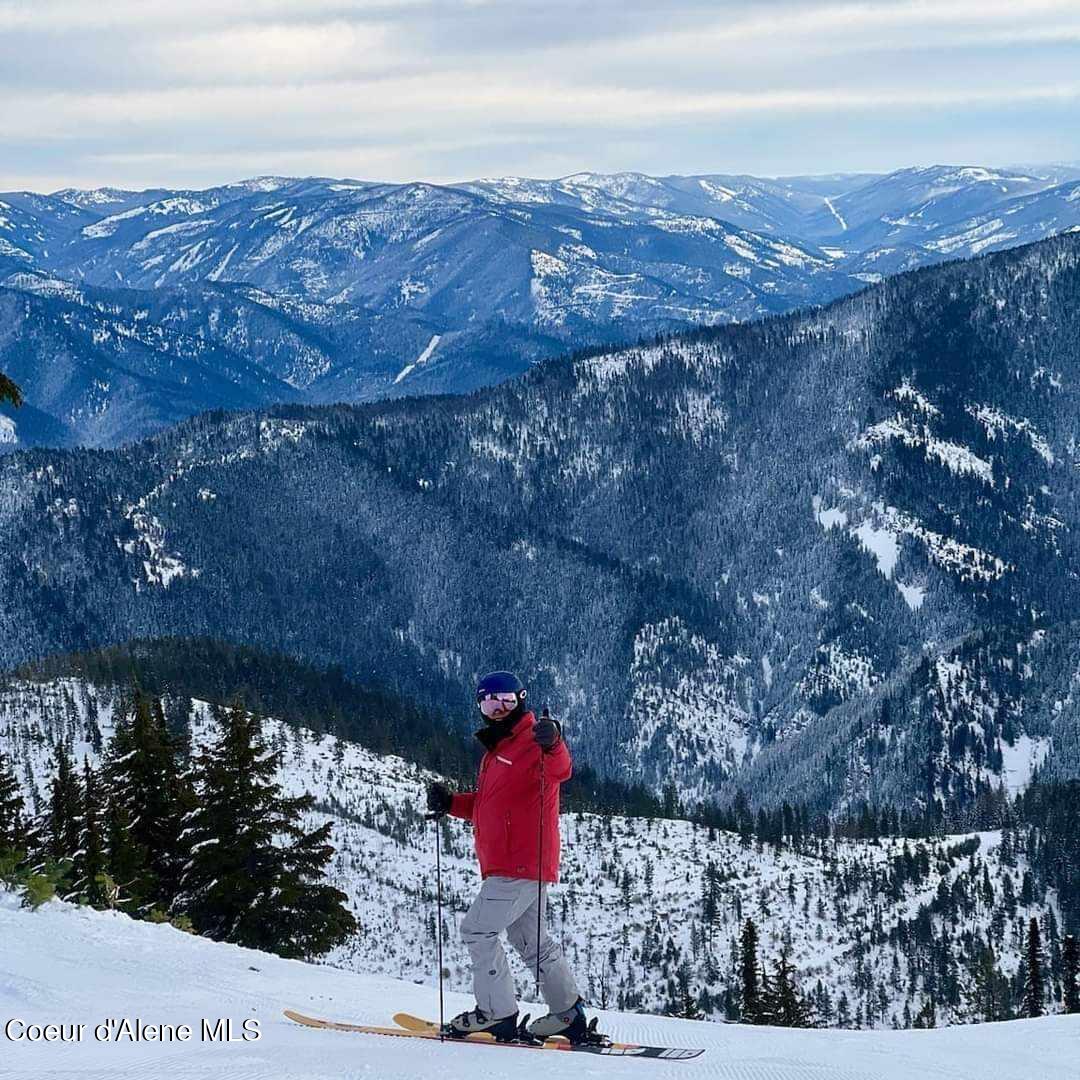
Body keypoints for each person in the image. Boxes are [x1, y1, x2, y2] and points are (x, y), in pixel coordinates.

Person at [426, 670, 590, 1042]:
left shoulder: (534, 740)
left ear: (521, 700)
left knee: (477, 930)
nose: (497, 709)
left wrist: (554, 740)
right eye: (489, 702)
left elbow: (561, 769)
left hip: (519, 863)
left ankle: (496, 1013)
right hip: (524, 864)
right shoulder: (499, 749)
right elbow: (489, 806)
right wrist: (451, 803)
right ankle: (568, 1015)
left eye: (506, 701)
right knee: (533, 942)